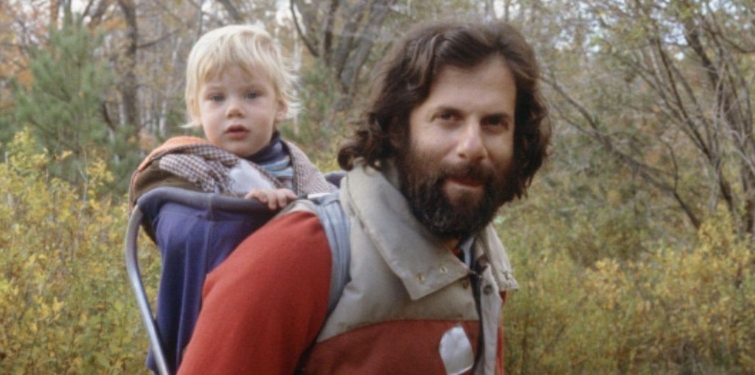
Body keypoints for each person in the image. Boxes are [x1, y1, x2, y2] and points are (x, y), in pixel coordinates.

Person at [177, 19, 551, 374]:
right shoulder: (295, 256)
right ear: (398, 128)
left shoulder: (482, 258)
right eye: (448, 118)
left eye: (494, 123)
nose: (472, 147)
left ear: (518, 140)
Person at [129, 24, 333, 215]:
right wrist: (249, 211)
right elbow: (197, 238)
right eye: (217, 98)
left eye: (251, 95)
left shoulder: (299, 165)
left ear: (280, 105)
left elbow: (330, 209)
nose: (234, 110)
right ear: (196, 110)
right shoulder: (195, 172)